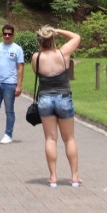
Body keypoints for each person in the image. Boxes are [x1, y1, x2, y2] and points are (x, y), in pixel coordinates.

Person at [33, 26, 82, 187]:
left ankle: (53, 177)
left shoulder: (36, 57)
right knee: (69, 138)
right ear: (53, 39)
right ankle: (74, 177)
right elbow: (76, 37)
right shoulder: (63, 53)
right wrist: (58, 30)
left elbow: (37, 73)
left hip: (45, 99)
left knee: (50, 138)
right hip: (64, 97)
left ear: (40, 41)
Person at [0, 24, 26, 144]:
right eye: (5, 33)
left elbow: (20, 68)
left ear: (13, 35)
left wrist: (19, 85)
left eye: (9, 34)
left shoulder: (17, 49)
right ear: (2, 34)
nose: (7, 36)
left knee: (9, 111)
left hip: (10, 83)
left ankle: (8, 134)